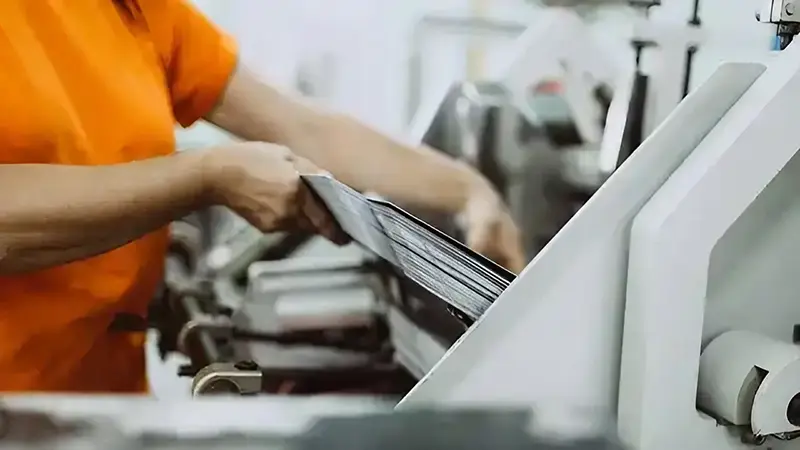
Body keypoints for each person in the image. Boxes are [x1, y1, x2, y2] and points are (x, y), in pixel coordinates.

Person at [0, 0, 524, 393]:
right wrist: (203, 176)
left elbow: (300, 126)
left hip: (96, 403)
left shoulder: (130, 9)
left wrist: (470, 192)